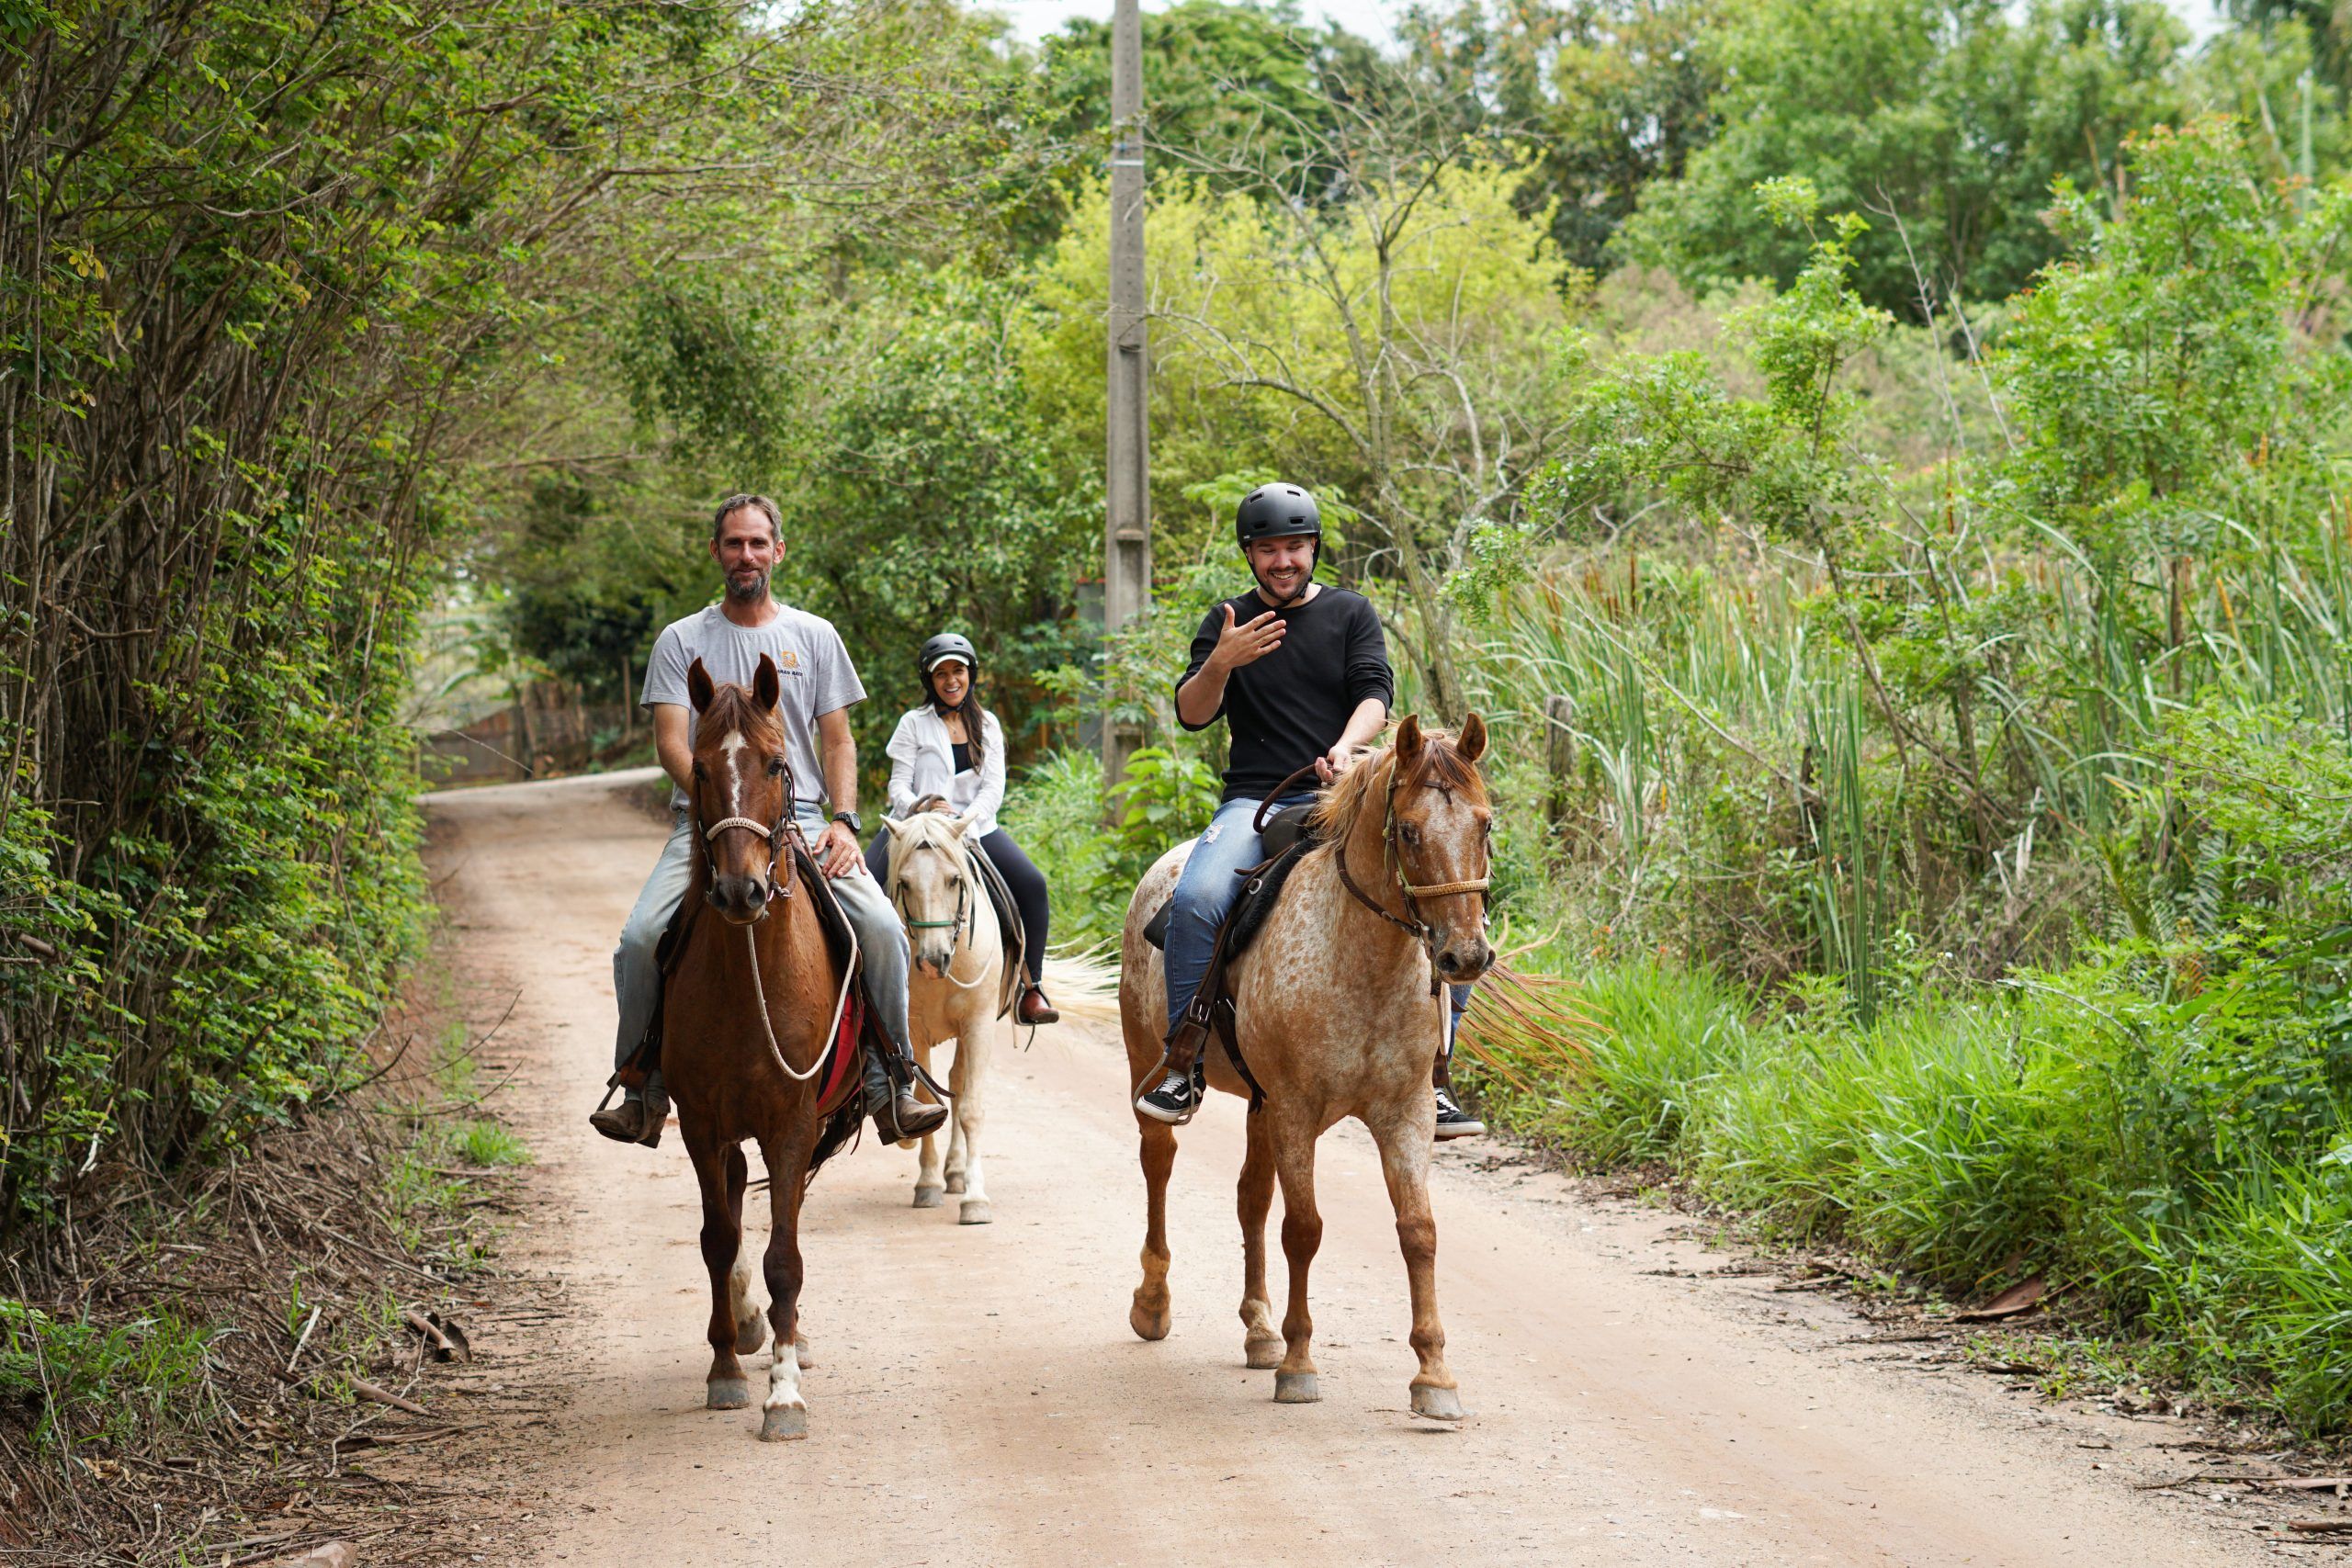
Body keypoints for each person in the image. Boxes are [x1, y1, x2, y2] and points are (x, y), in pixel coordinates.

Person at [591, 493, 948, 1147]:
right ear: (715, 552)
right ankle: (640, 1084)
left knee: (882, 929)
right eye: (733, 543)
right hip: (705, 821)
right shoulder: (681, 639)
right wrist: (720, 805)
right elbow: (673, 740)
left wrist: (843, 820)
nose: (746, 554)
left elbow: (837, 741)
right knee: (641, 938)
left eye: (758, 543)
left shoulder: (813, 636)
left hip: (803, 815)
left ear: (778, 551)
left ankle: (889, 1077)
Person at [1131, 481, 1486, 1136]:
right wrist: (1221, 662)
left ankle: (1434, 1072)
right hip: (1255, 803)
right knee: (1198, 895)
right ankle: (1184, 1061)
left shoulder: (1350, 613)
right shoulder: (1227, 621)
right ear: (1250, 555)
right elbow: (1191, 713)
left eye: (1294, 546)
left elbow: (1375, 693)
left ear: (1313, 548)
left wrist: (1348, 747)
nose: (1283, 561)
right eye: (1268, 550)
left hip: (1346, 794)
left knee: (1451, 891)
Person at [863, 633, 1060, 1025]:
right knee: (863, 885)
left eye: (958, 671)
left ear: (970, 675)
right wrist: (920, 807)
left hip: (975, 829)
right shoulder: (912, 724)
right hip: (912, 828)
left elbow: (994, 788)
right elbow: (898, 785)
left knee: (1033, 885)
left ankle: (1030, 987)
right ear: (929, 680)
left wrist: (963, 822)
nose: (951, 680)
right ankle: (857, 987)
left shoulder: (988, 725)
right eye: (941, 674)